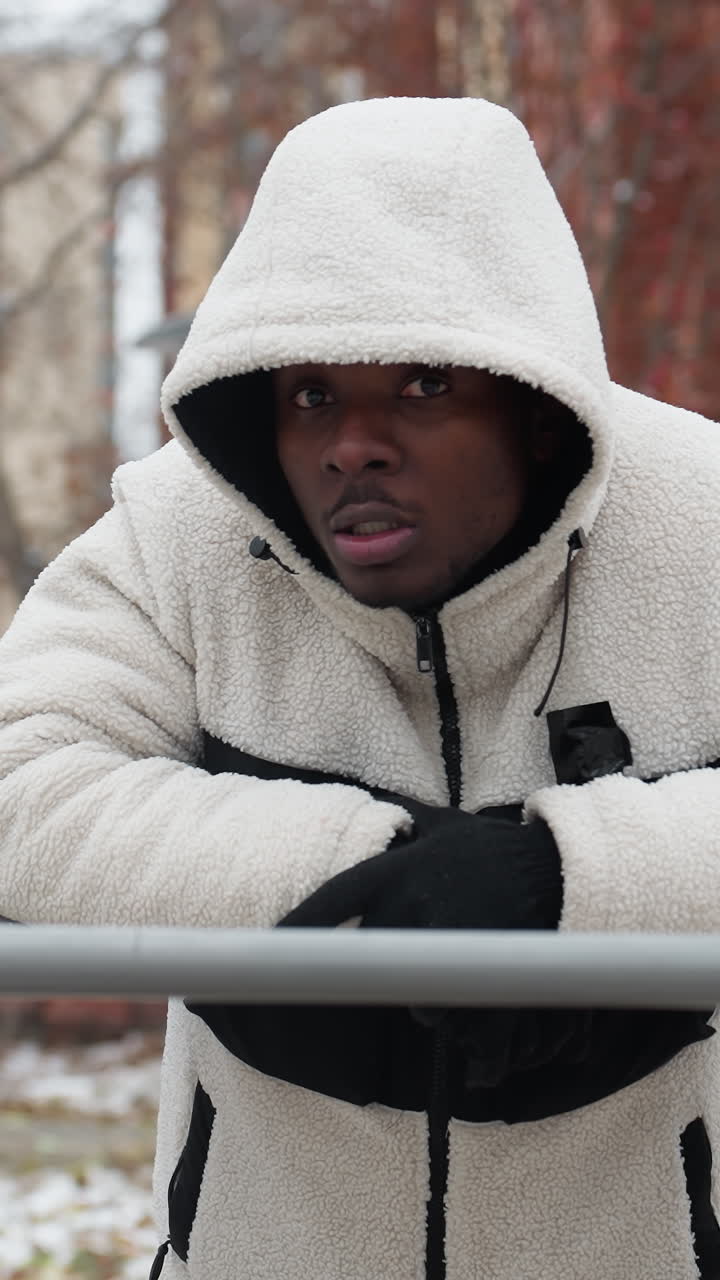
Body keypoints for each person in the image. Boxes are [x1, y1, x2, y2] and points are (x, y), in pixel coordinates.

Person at [0, 95, 718, 1280]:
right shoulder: (181, 535)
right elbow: (23, 779)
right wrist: (369, 871)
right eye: (311, 393)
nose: (352, 443)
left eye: (424, 385)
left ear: (535, 407)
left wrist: (556, 878)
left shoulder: (702, 518)